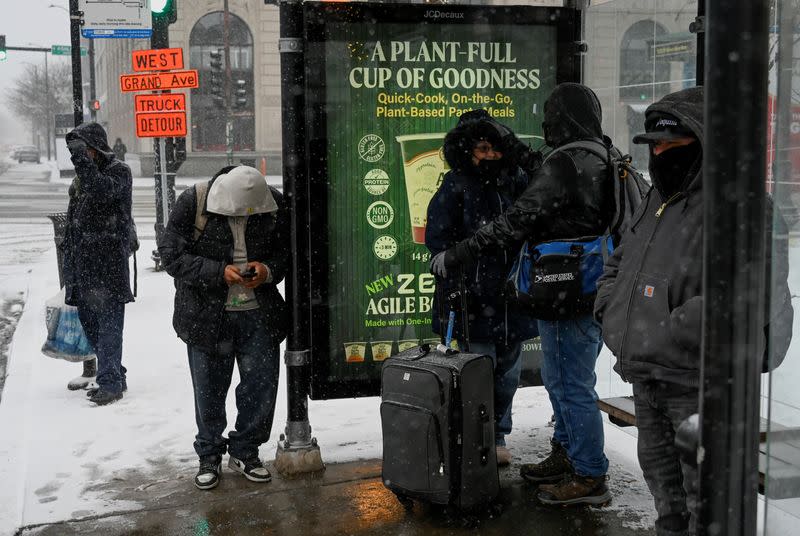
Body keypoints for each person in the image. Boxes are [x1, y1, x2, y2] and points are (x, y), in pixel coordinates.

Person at [594, 86, 793, 536]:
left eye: (670, 144)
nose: (659, 154)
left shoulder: (741, 208)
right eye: (654, 145)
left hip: (698, 387)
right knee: (668, 504)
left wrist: (664, 332)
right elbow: (620, 263)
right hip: (649, 380)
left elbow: (744, 299)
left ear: (704, 145)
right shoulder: (657, 200)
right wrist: (610, 309)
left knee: (707, 509)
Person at [430, 83, 615, 505]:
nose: (545, 124)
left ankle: (587, 473)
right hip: (571, 289)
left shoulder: (570, 161)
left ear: (562, 118)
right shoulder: (597, 153)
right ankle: (568, 455)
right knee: (562, 380)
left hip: (567, 291)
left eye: (550, 115)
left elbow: (518, 218)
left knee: (569, 385)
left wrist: (463, 251)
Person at [159, 165, 289, 490]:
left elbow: (290, 252)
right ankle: (209, 453)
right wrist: (218, 272)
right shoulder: (195, 201)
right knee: (208, 390)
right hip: (205, 315)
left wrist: (268, 270)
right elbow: (171, 255)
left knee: (260, 386)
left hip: (259, 314)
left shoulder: (272, 204)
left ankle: (246, 450)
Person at [425, 109, 539, 467]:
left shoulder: (517, 180)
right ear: (466, 150)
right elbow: (437, 241)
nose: (490, 156)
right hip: (473, 300)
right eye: (482, 148)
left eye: (495, 148)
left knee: (508, 375)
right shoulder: (454, 185)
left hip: (513, 299)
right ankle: (479, 436)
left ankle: (499, 433)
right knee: (479, 372)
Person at [62, 122, 134, 406]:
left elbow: (101, 191)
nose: (82, 155)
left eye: (86, 149)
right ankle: (115, 372)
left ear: (97, 148)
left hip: (108, 265)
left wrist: (81, 160)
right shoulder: (82, 177)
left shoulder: (118, 172)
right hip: (83, 264)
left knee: (108, 327)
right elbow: (74, 218)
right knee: (90, 325)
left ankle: (111, 383)